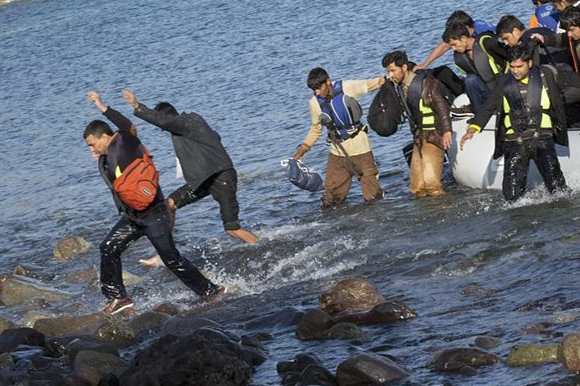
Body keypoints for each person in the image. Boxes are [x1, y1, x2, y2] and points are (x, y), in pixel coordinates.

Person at [84, 91, 222, 314]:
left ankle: (212, 291)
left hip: (154, 213)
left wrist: (102, 106)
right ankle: (119, 298)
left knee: (171, 259)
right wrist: (101, 160)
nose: (91, 149)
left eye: (92, 144)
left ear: (104, 137)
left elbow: (126, 124)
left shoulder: (125, 143)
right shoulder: (107, 158)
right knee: (108, 247)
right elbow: (117, 186)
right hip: (133, 216)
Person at [120, 89, 258, 267]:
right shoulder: (192, 124)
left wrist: (137, 106)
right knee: (169, 204)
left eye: (163, 126)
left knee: (232, 229)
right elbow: (215, 137)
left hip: (221, 177)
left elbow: (166, 121)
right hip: (204, 179)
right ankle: (166, 254)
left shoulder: (186, 122)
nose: (163, 129)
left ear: (166, 119)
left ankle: (264, 247)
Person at [459, 43, 568, 202]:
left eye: (519, 66)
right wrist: (472, 129)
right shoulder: (503, 82)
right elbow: (488, 106)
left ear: (529, 63)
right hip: (514, 143)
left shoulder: (545, 76)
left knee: (558, 188)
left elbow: (569, 80)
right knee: (512, 196)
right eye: (512, 67)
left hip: (542, 139)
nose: (515, 71)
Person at [292, 68, 384, 207]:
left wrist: (395, 77)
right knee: (330, 201)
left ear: (328, 81)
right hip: (337, 152)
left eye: (319, 88)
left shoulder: (347, 87)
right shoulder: (314, 103)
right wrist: (300, 153)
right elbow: (315, 130)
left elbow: (374, 83)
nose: (317, 92)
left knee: (373, 198)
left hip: (360, 149)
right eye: (314, 90)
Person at [382, 51, 452, 197]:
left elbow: (442, 107)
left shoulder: (427, 83)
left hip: (434, 134)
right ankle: (427, 210)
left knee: (431, 184)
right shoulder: (400, 88)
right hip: (419, 137)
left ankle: (445, 208)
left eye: (393, 71)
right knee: (417, 187)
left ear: (404, 67)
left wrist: (447, 131)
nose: (390, 75)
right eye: (388, 72)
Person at [441, 22, 507, 114]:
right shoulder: (462, 56)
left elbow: (508, 56)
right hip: (487, 92)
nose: (454, 49)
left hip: (502, 88)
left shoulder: (486, 43)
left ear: (463, 39)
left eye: (454, 44)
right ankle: (478, 113)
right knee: (470, 79)